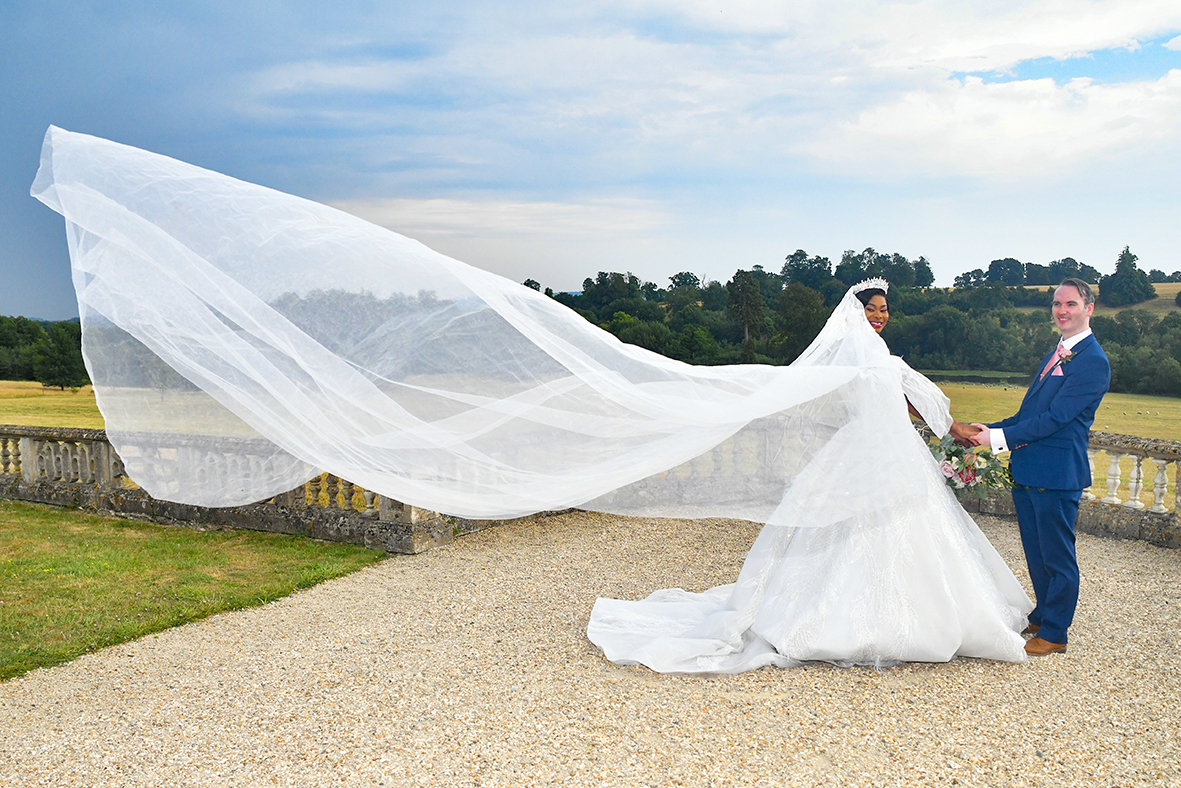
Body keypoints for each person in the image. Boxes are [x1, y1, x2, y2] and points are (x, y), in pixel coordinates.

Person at [587, 279, 1033, 673]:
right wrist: (946, 424)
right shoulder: (850, 355)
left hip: (897, 449)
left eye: (884, 310)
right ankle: (840, 621)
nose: (878, 317)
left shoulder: (879, 354)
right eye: (870, 309)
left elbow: (909, 397)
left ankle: (926, 615)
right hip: (863, 449)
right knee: (850, 530)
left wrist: (951, 427)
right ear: (853, 313)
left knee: (912, 527)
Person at [970, 279, 1109, 656]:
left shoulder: (1093, 361)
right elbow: (1029, 414)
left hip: (1058, 473)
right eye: (1057, 304)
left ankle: (1056, 633)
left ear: (1088, 308)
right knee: (1036, 552)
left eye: (1071, 304)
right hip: (1030, 470)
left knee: (1058, 558)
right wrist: (988, 430)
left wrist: (996, 442)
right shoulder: (1058, 352)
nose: (1062, 311)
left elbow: (1056, 419)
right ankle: (1043, 614)